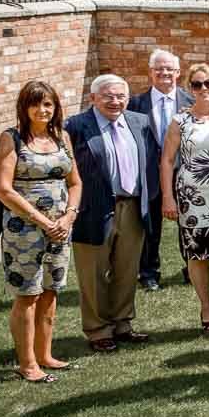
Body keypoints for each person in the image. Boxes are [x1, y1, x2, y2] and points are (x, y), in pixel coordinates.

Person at [0, 80, 81, 382]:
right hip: (24, 231)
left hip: (60, 229)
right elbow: (3, 189)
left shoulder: (62, 137)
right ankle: (28, 364)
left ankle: (45, 355)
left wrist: (69, 216)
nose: (42, 109)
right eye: (35, 103)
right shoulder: (12, 138)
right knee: (27, 295)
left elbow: (75, 183)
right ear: (24, 107)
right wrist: (43, 221)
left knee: (50, 291)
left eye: (48, 104)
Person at [66, 75, 154, 352]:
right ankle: (98, 329)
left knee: (127, 270)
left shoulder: (139, 122)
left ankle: (122, 324)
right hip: (92, 210)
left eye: (120, 96)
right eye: (108, 96)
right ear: (93, 98)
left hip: (132, 207)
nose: (115, 101)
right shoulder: (75, 126)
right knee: (93, 274)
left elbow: (150, 160)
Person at [158, 63, 209, 334]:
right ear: (190, 89)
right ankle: (206, 307)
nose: (204, 88)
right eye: (197, 84)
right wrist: (168, 197)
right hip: (192, 197)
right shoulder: (180, 121)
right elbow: (167, 161)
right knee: (197, 254)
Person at [128, 48, 192, 291]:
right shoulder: (135, 105)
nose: (164, 72)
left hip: (184, 173)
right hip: (149, 174)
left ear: (178, 72)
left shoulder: (191, 102)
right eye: (159, 69)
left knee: (189, 223)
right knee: (150, 225)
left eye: (169, 69)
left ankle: (192, 267)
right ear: (150, 72)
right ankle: (148, 273)